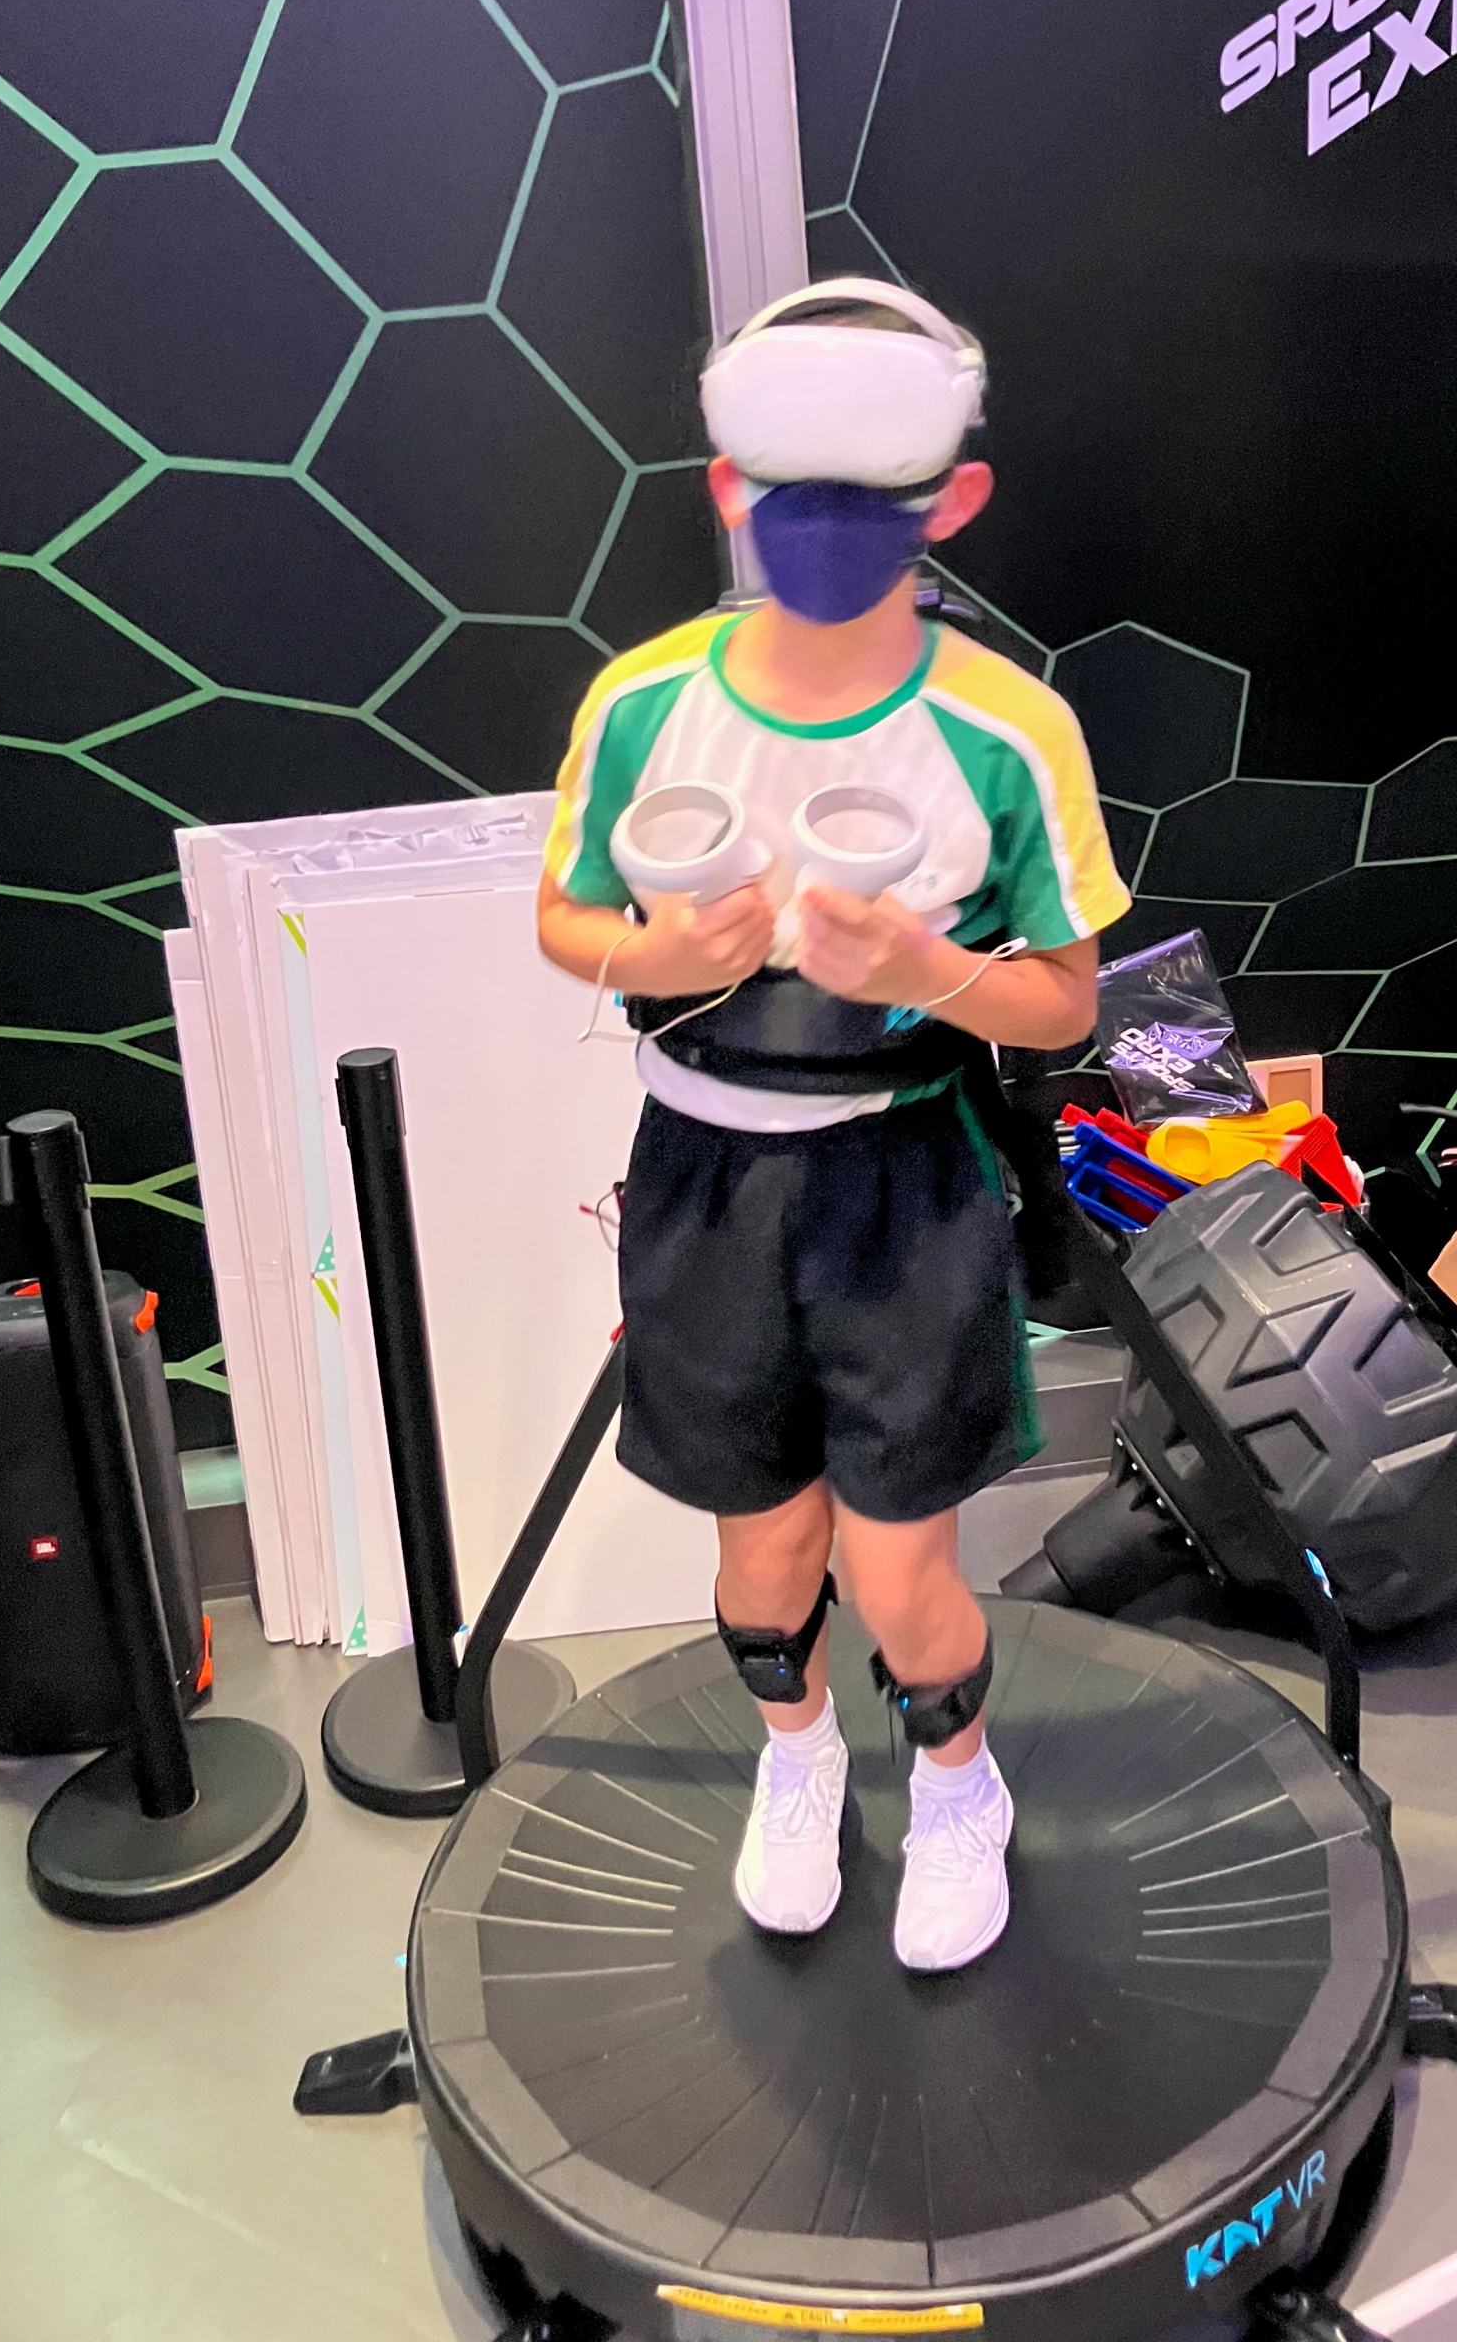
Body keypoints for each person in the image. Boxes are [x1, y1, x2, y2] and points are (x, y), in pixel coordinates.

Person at [536, 278, 1129, 1971]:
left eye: (869, 500)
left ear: (954, 499)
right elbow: (564, 921)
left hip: (902, 1180)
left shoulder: (1010, 728)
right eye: (792, 494)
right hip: (704, 1177)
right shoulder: (644, 701)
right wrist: (672, 953)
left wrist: (929, 969)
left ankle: (956, 1786)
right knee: (763, 1549)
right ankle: (795, 1760)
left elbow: (1068, 1005)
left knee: (896, 1564)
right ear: (729, 484)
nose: (825, 532)